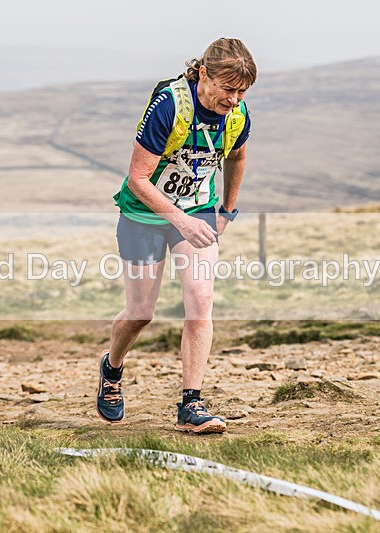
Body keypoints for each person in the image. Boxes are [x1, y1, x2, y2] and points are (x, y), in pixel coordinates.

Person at [98, 38, 256, 433]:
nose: (234, 99)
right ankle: (112, 367)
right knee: (140, 313)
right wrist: (179, 221)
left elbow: (236, 156)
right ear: (204, 74)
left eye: (242, 92)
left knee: (200, 299)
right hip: (144, 214)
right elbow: (137, 179)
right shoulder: (170, 105)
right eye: (227, 89)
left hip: (199, 211)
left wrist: (226, 210)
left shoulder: (237, 115)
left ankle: (192, 404)